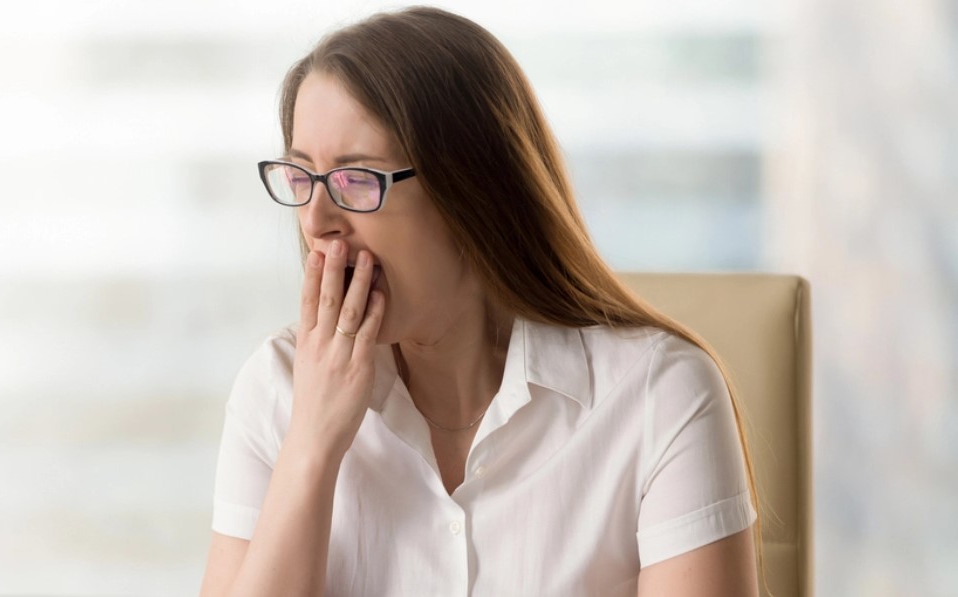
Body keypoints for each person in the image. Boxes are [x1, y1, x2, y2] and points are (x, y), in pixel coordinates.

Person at [200, 7, 760, 596]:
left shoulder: (658, 396)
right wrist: (310, 447)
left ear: (472, 192)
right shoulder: (276, 388)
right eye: (302, 176)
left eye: (357, 179)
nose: (316, 221)